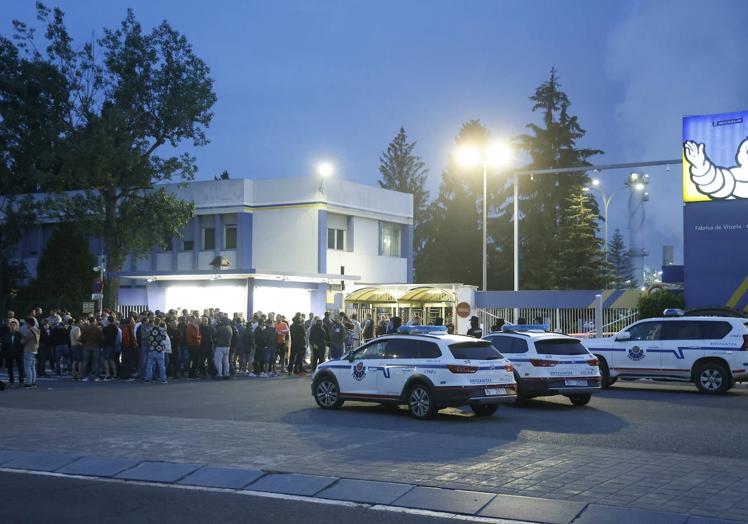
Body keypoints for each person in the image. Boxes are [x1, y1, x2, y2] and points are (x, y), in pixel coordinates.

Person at [2, 319, 24, 388]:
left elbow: (22, 345)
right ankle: (11, 381)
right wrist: (4, 354)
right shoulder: (6, 335)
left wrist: (21, 352)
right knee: (10, 369)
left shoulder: (20, 335)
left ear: (16, 326)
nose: (12, 326)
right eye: (11, 325)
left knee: (20, 368)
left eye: (14, 325)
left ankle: (21, 381)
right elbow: (4, 345)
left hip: (18, 353)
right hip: (9, 353)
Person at [145, 317, 168, 384]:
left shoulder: (150, 329)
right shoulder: (162, 330)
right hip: (160, 349)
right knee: (161, 365)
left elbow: (147, 337)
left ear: (154, 322)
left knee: (149, 365)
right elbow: (164, 338)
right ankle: (163, 379)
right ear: (160, 322)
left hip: (152, 349)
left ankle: (148, 379)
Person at [80, 318, 103, 382]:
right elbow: (102, 339)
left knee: (85, 362)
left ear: (89, 322)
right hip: (96, 346)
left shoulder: (85, 329)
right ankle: (96, 377)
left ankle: (84, 377)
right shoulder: (98, 329)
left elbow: (81, 339)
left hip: (86, 346)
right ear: (95, 321)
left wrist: (84, 343)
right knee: (96, 362)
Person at [22, 317, 40, 388]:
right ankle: (33, 381)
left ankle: (28, 382)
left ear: (29, 323)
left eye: (26, 323)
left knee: (27, 367)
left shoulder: (28, 331)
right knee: (33, 367)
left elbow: (23, 341)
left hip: (28, 349)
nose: (26, 324)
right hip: (35, 349)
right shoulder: (37, 330)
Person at [102, 316, 118, 380]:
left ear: (108, 321)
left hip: (106, 345)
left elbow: (103, 337)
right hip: (113, 345)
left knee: (105, 360)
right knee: (112, 360)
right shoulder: (116, 328)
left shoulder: (105, 328)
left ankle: (108, 374)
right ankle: (115, 374)